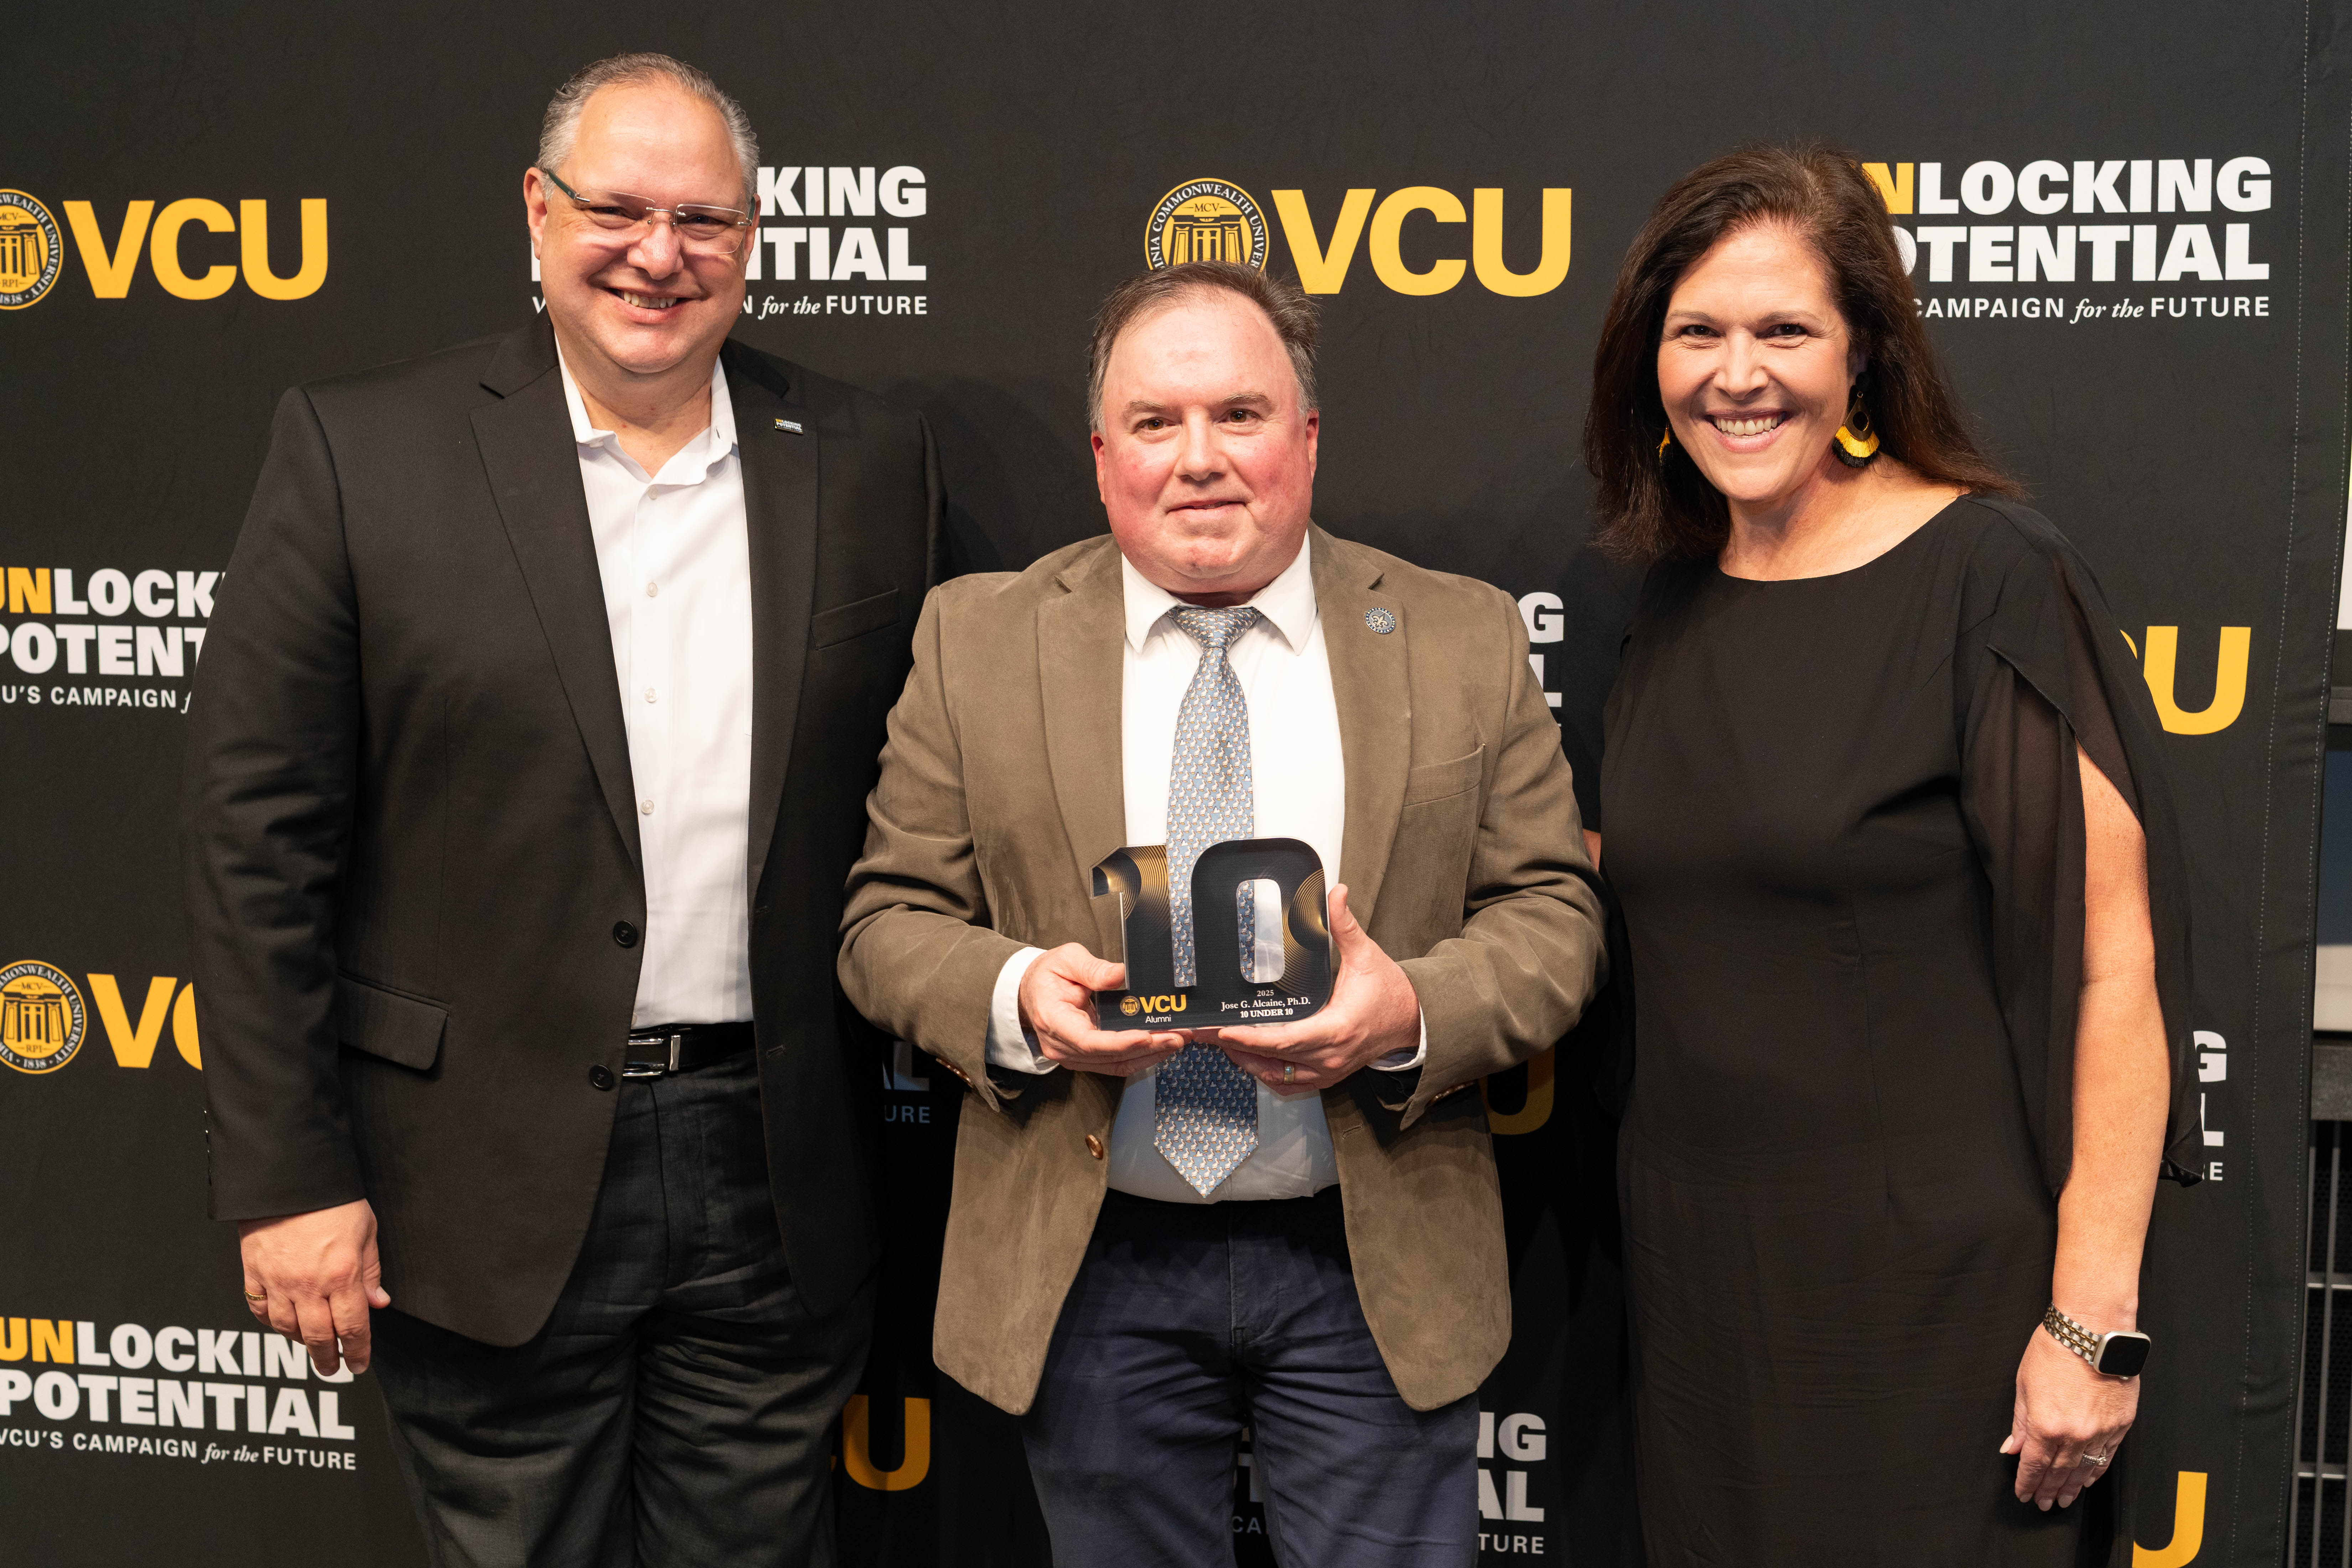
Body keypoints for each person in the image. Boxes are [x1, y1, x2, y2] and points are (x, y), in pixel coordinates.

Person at [183, 52, 941, 1566]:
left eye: (704, 221)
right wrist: (289, 1174)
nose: (659, 254)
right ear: (538, 213)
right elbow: (258, 838)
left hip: (777, 1168)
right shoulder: (361, 452)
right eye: (618, 208)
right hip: (476, 1179)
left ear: (754, 238)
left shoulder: (864, 459)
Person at [837, 259, 1605, 1564]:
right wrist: (1022, 996)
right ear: (1100, 455)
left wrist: (1408, 1007)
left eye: (1240, 415)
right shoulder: (977, 640)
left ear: (1306, 439)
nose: (1200, 459)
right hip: (1091, 1263)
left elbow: (1553, 914)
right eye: (1156, 423)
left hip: (1372, 1258)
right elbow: (886, 921)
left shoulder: (1461, 638)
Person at [1582, 145, 2196, 1564]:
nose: (1740, 373)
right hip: (1704, 1300)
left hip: (1934, 1305)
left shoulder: (1988, 573)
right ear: (1647, 364)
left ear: (1865, 355)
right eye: (1699, 333)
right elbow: (1699, 874)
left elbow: (2113, 966)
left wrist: (2091, 1321)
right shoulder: (1672, 600)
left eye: (1785, 330)